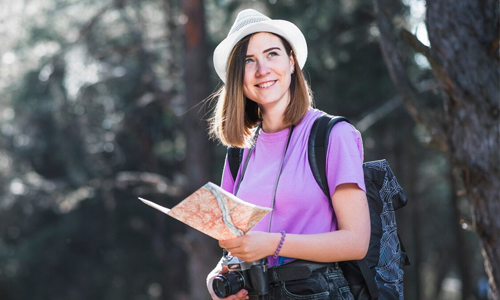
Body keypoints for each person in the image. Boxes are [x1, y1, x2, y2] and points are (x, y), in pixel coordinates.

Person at [206, 9, 370, 300]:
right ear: (238, 78)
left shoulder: (333, 135)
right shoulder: (238, 155)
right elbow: (233, 251)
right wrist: (216, 281)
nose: (262, 70)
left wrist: (273, 244)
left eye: (272, 54)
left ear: (291, 62)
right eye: (248, 60)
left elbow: (356, 241)